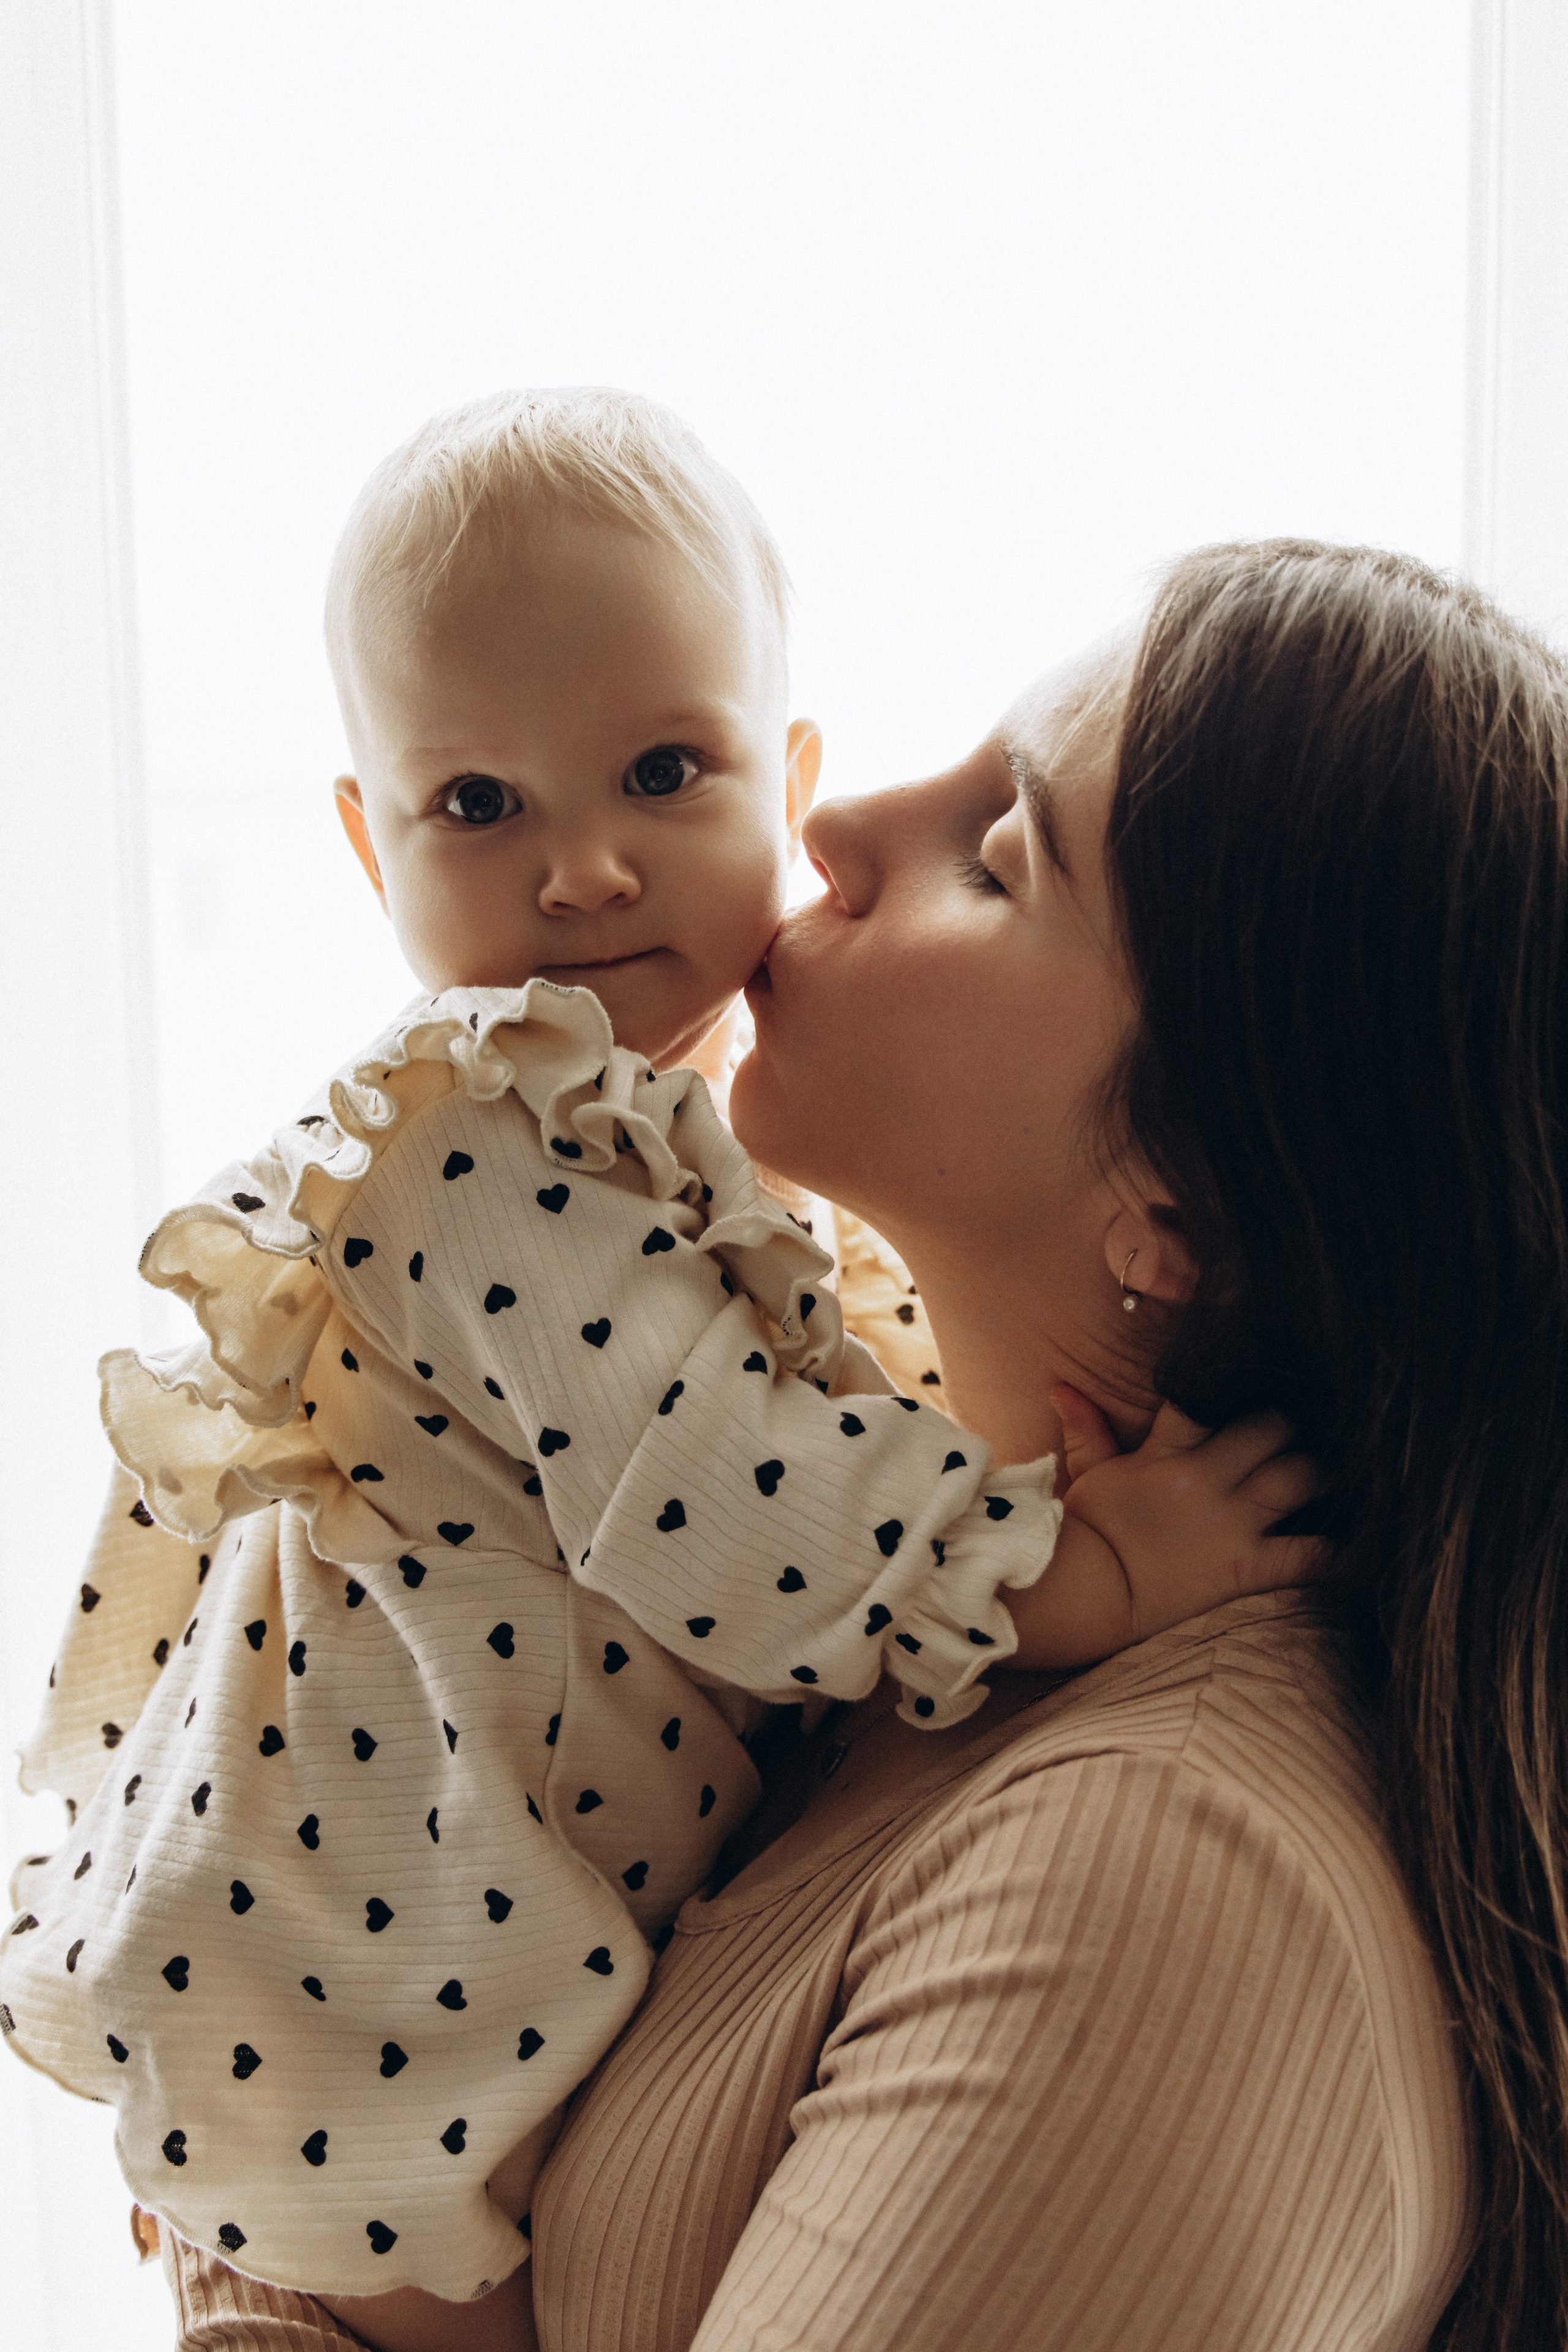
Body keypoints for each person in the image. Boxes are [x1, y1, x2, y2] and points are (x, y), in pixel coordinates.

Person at [0, 396, 1310, 2348]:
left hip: (451, 2016)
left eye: (664, 772)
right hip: (356, 2054)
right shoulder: (468, 1148)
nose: (586, 871)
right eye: (479, 805)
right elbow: (719, 1501)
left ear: (783, 771)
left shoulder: (692, 1157)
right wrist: (1080, 1572)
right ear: (368, 846)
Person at [167, 536, 1566, 2351]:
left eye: (999, 856)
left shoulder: (1162, 1870)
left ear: (1184, 1212)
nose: (826, 825)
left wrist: (256, 2270)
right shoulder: (866, 1587)